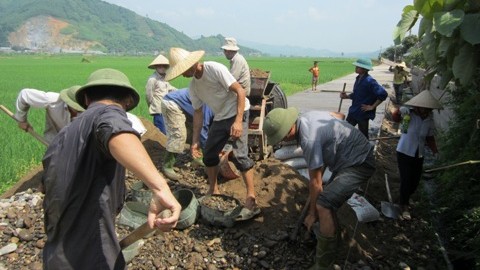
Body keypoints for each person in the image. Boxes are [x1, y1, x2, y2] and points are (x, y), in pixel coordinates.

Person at [42, 68, 181, 269]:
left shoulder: (61, 137)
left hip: (56, 253)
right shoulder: (110, 113)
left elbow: (45, 187)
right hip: (91, 251)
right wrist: (160, 188)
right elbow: (116, 129)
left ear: (87, 99)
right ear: (126, 102)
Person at [263, 107, 376, 269]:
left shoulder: (309, 139)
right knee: (327, 202)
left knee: (323, 204)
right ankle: (331, 239)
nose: (283, 141)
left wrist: (312, 214)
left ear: (290, 129)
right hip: (348, 158)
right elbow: (340, 116)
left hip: (359, 163)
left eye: (282, 136)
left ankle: (324, 265)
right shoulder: (308, 115)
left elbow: (316, 184)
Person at [165, 47, 259, 215]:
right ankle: (213, 190)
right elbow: (198, 113)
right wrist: (195, 141)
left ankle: (251, 196)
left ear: (190, 65)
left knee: (240, 155)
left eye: (182, 71)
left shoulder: (214, 69)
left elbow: (240, 91)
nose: (182, 75)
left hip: (239, 111)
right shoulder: (193, 86)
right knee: (209, 154)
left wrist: (238, 122)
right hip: (221, 116)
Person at [395, 90, 441, 220]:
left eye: (427, 108)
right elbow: (395, 118)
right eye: (422, 107)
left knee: (415, 181)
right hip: (404, 151)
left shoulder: (429, 120)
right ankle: (404, 206)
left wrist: (435, 151)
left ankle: (405, 197)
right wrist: (399, 111)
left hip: (418, 154)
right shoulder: (409, 115)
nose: (425, 110)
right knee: (406, 179)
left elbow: (430, 138)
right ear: (417, 106)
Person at [161, 88, 214, 180]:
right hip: (172, 103)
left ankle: (197, 157)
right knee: (179, 135)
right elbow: (203, 127)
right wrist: (208, 153)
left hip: (188, 107)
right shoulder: (211, 104)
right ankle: (167, 165)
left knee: (193, 133)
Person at [14, 86, 84, 144]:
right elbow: (25, 94)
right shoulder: (53, 100)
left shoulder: (90, 109)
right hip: (54, 144)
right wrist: (22, 120)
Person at [340, 58, 388, 138]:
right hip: (353, 111)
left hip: (362, 113)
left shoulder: (370, 81)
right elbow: (357, 94)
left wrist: (372, 106)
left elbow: (383, 94)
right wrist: (346, 96)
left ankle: (365, 149)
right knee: (345, 132)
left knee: (363, 136)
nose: (356, 68)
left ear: (364, 69)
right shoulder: (358, 78)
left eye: (358, 67)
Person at [146, 54, 177, 134]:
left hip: (166, 108)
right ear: (156, 67)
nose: (162, 68)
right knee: (162, 132)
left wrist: (183, 92)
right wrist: (153, 106)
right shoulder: (152, 79)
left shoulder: (165, 78)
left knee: (168, 131)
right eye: (160, 66)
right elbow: (149, 95)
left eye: (164, 66)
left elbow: (170, 88)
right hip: (158, 110)